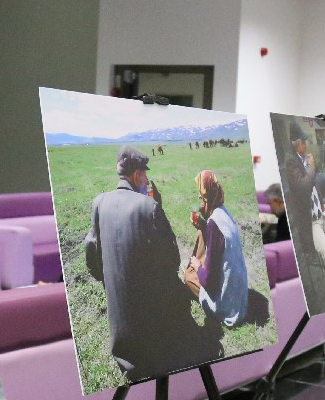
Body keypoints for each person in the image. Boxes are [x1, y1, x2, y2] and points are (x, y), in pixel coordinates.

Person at [83, 146, 203, 380]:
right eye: (145, 175)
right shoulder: (149, 206)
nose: (147, 181)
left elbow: (91, 251)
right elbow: (171, 259)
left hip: (119, 331)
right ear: (137, 175)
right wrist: (158, 207)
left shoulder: (99, 202)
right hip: (151, 339)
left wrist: (110, 282)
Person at [281, 126, 325, 297]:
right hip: (310, 223)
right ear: (297, 144)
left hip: (319, 213)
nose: (307, 145)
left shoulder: (300, 158)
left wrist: (322, 203)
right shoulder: (290, 162)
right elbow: (304, 186)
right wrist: (311, 167)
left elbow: (314, 187)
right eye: (304, 142)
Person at [183, 170, 249, 328]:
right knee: (201, 233)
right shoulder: (224, 212)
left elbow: (209, 282)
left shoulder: (214, 224)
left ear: (206, 194)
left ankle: (196, 271)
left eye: (201, 191)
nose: (199, 196)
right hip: (240, 299)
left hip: (227, 306)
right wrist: (202, 225)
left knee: (188, 277)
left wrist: (197, 267)